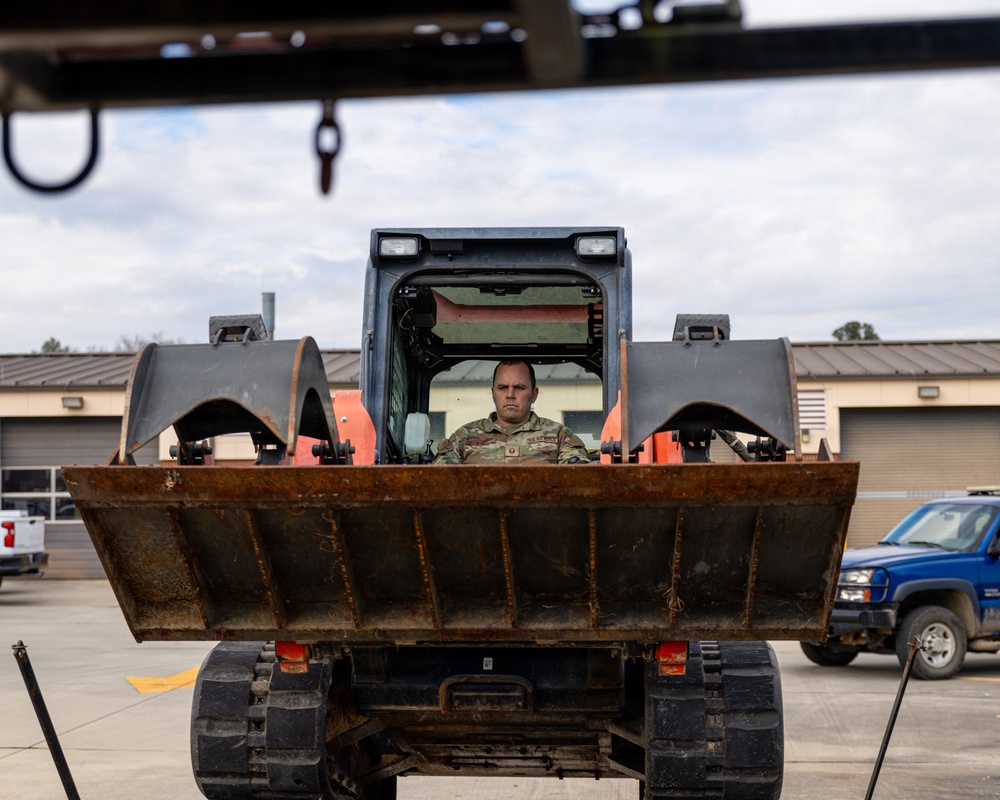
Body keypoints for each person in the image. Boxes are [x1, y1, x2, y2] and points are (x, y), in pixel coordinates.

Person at [434, 359, 592, 464]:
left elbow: (578, 482)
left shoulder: (559, 435)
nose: (510, 394)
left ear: (534, 394)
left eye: (519, 387)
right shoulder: (465, 436)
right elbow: (436, 482)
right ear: (493, 393)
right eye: (502, 388)